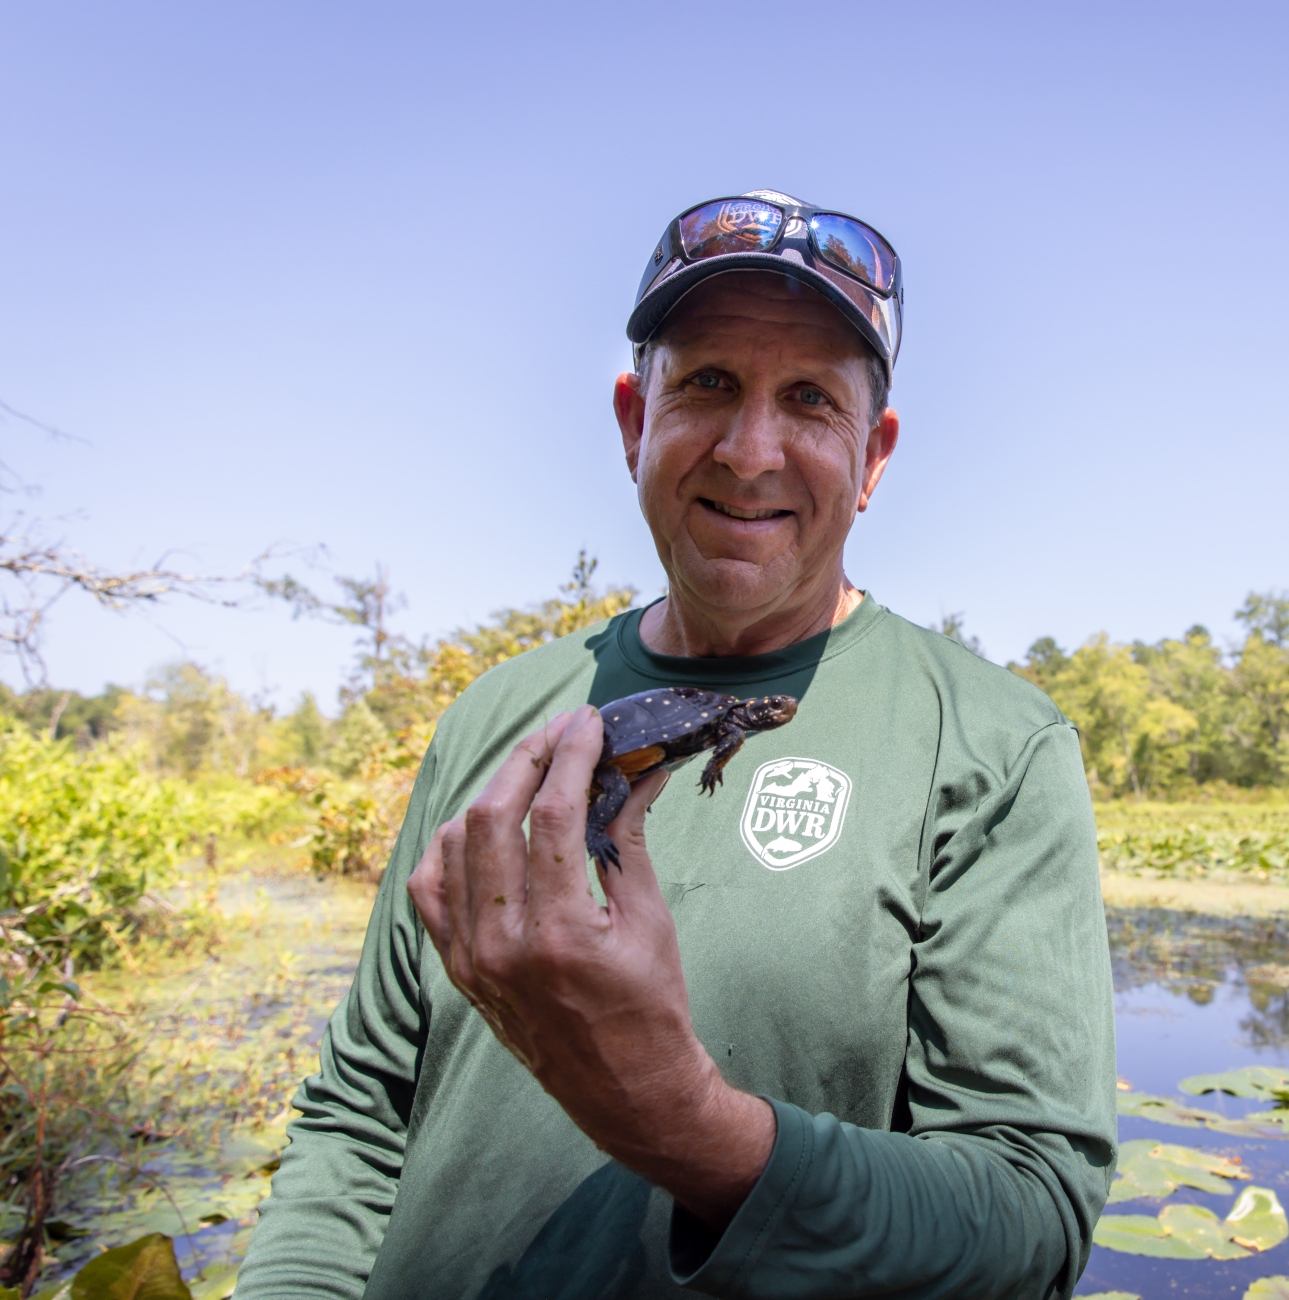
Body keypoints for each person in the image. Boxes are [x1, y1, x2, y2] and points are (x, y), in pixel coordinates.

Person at [237, 190, 1116, 1299]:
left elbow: (1032, 1218)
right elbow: (360, 1113)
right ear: (631, 422)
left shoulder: (994, 746)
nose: (750, 453)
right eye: (706, 384)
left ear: (873, 457)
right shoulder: (497, 715)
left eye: (810, 398)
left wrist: (674, 1113)